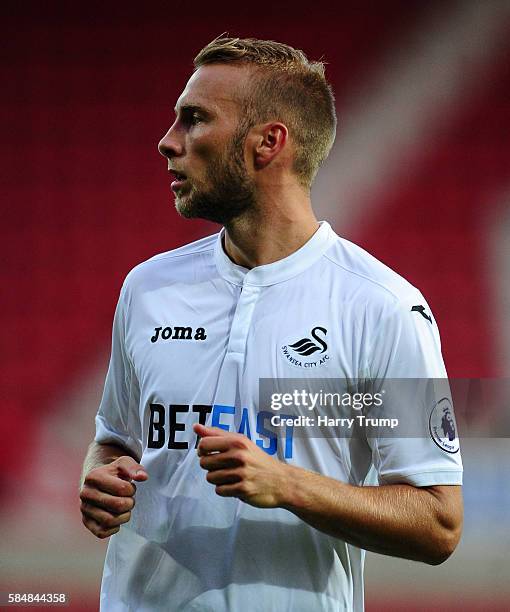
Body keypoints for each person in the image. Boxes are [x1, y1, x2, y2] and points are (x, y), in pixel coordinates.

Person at [79, 36, 463, 611]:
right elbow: (114, 437)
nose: (167, 141)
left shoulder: (383, 307)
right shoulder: (149, 289)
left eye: (194, 119)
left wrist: (287, 485)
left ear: (268, 143)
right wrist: (101, 479)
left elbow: (438, 522)